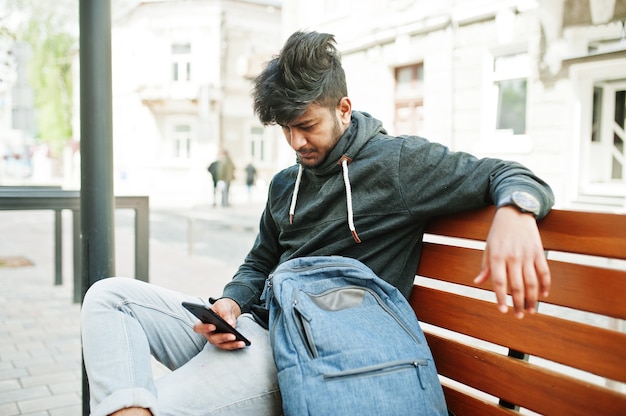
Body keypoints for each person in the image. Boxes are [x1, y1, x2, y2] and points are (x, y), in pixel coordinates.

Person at [81, 31, 554, 415]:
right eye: (286, 129)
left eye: (306, 125)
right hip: (254, 330)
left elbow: (506, 173)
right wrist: (230, 302)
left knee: (160, 405)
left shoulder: (396, 165)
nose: (295, 142)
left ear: (343, 109)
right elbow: (260, 260)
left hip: (311, 354)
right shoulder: (287, 183)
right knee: (109, 298)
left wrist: (515, 211)